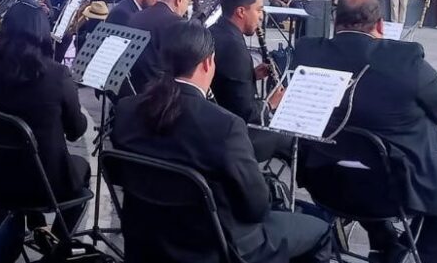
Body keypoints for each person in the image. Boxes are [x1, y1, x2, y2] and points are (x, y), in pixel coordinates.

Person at [111, 21, 331, 263]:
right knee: (319, 230)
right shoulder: (225, 126)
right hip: (215, 247)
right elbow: (256, 208)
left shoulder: (126, 109)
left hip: (148, 238)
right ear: (207, 63)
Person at [291, 0, 437, 263]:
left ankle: (388, 245)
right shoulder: (403, 58)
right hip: (397, 191)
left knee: (362, 159)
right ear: (380, 25)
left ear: (335, 21)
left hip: (326, 183)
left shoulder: (307, 51)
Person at [0, 0, 90, 238]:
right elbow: (75, 130)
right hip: (44, 184)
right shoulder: (57, 74)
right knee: (82, 169)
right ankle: (57, 243)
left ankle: (37, 225)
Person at [208, 0, 288, 161]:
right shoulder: (234, 47)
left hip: (214, 119)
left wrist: (251, 75)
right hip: (232, 135)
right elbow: (246, 113)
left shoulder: (216, 31)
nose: (261, 17)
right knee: (290, 139)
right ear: (241, 12)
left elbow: (224, 81)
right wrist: (270, 104)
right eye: (258, 10)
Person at [126, 0, 193, 94]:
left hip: (133, 88)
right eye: (188, 2)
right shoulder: (177, 23)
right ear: (179, 0)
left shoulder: (136, 16)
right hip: (161, 94)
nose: (187, 7)